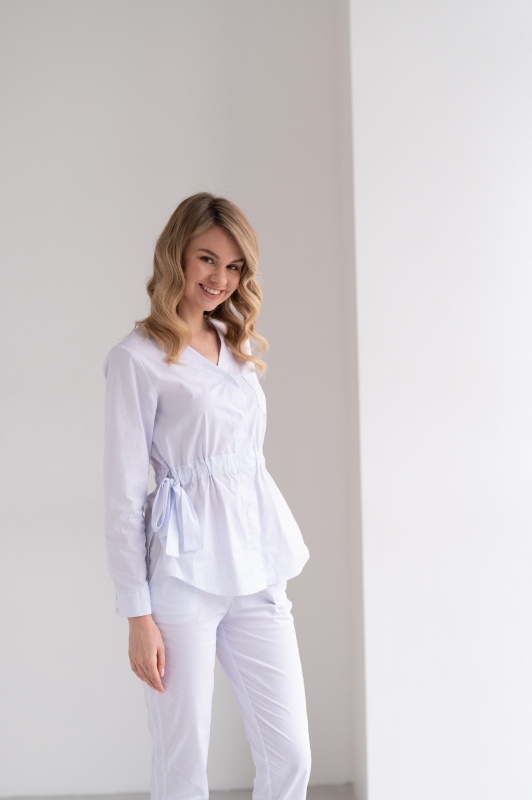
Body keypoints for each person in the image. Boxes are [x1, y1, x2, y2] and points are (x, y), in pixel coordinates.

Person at [102, 192, 311, 800]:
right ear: (177, 255)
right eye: (207, 259)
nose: (221, 278)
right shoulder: (136, 359)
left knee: (291, 755)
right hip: (182, 576)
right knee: (183, 764)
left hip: (256, 566)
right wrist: (137, 615)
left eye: (235, 266)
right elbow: (123, 498)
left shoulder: (235, 344)